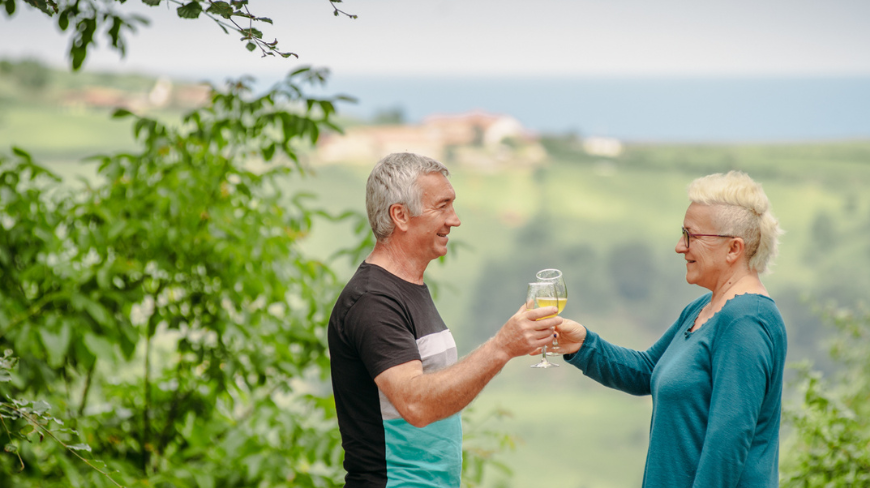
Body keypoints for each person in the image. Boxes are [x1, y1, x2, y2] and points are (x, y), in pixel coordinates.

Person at [328, 152, 562, 488]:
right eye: (443, 206)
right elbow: (416, 404)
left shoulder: (409, 287)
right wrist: (501, 347)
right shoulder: (372, 301)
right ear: (400, 215)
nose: (455, 219)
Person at [556, 170, 787, 488]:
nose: (680, 246)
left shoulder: (747, 320)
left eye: (691, 236)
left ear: (734, 248)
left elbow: (726, 447)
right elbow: (647, 371)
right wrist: (581, 344)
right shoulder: (702, 309)